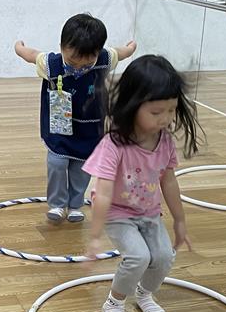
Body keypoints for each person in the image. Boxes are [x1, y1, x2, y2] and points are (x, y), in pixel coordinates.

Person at [83, 55, 200, 312]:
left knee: (164, 256)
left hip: (148, 212)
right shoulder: (114, 145)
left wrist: (180, 221)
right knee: (138, 257)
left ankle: (144, 293)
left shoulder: (165, 141)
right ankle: (114, 303)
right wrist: (95, 236)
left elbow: (169, 181)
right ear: (133, 105)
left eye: (171, 110)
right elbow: (103, 192)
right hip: (117, 213)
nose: (166, 119)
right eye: (157, 112)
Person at [15, 14, 136, 222]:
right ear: (61, 47)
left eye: (87, 63)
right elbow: (31, 55)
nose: (79, 68)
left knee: (82, 169)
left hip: (89, 128)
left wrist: (131, 48)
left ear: (98, 52)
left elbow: (120, 53)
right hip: (59, 127)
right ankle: (57, 204)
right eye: (73, 62)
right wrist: (19, 47)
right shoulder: (51, 64)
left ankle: (75, 205)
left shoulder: (104, 60)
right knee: (57, 162)